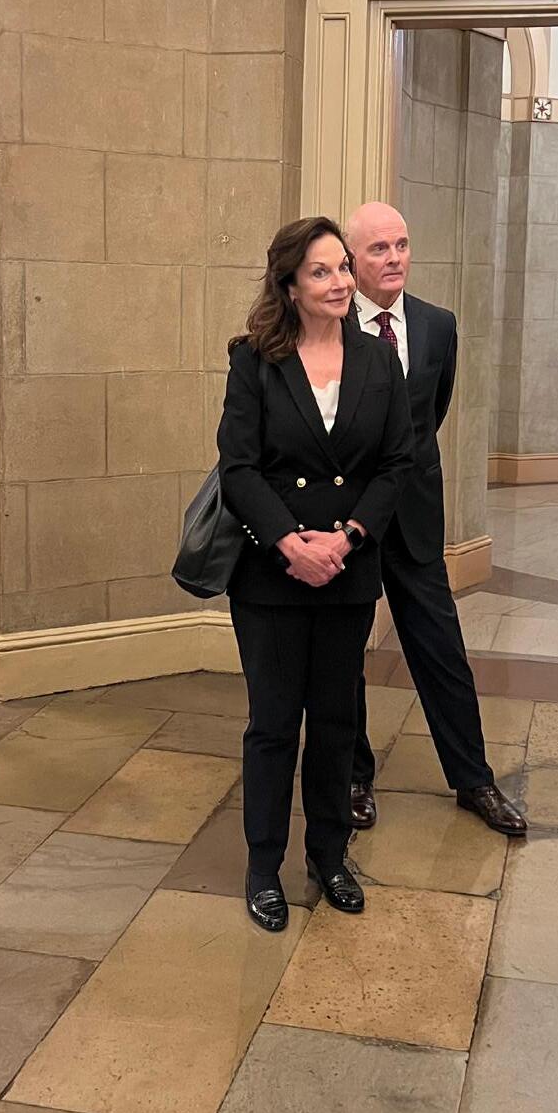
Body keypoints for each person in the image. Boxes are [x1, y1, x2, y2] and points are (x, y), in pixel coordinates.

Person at [218, 215, 413, 932]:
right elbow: (238, 468)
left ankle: (330, 856)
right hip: (271, 576)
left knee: (336, 721)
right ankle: (263, 866)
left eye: (342, 268)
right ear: (291, 285)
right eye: (321, 271)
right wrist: (288, 543)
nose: (339, 282)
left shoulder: (378, 361)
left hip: (347, 570)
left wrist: (348, 536)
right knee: (273, 724)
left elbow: (397, 463)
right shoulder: (255, 361)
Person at [343, 202, 526, 836]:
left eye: (401, 244)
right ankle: (353, 775)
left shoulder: (437, 325)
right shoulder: (329, 322)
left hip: (415, 516)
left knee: (442, 650)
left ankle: (474, 779)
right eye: (378, 249)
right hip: (347, 522)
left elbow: (431, 414)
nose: (395, 258)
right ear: (351, 260)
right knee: (345, 653)